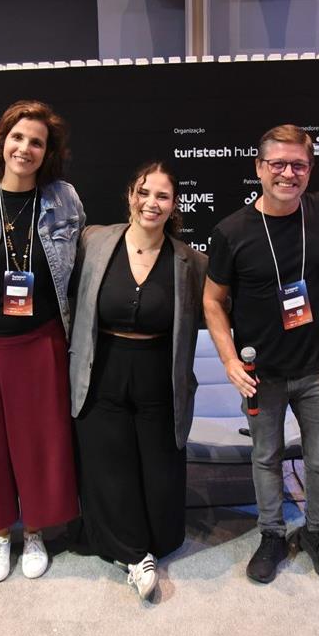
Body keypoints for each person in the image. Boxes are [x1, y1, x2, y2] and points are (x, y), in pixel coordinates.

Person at [203, 125, 319, 585]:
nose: (288, 174)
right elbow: (212, 300)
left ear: (310, 169)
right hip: (260, 373)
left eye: (298, 165)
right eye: (278, 164)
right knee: (265, 457)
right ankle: (271, 534)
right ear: (259, 168)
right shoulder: (232, 231)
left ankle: (318, 533)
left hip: (317, 369)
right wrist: (229, 361)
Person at [0, 100, 84, 582]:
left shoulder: (65, 199)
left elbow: (77, 271)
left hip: (41, 341)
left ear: (48, 152)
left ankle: (36, 532)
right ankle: (1, 533)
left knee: (39, 442)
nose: (25, 148)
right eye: (18, 137)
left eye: (37, 142)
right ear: (2, 141)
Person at [67, 161, 207, 600]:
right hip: (102, 368)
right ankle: (133, 553)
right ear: (130, 195)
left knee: (158, 466)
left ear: (174, 205)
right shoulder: (93, 241)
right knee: (108, 463)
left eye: (162, 196)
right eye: (144, 192)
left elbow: (216, 312)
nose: (151, 203)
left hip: (159, 375)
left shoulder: (191, 261)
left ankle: (153, 542)